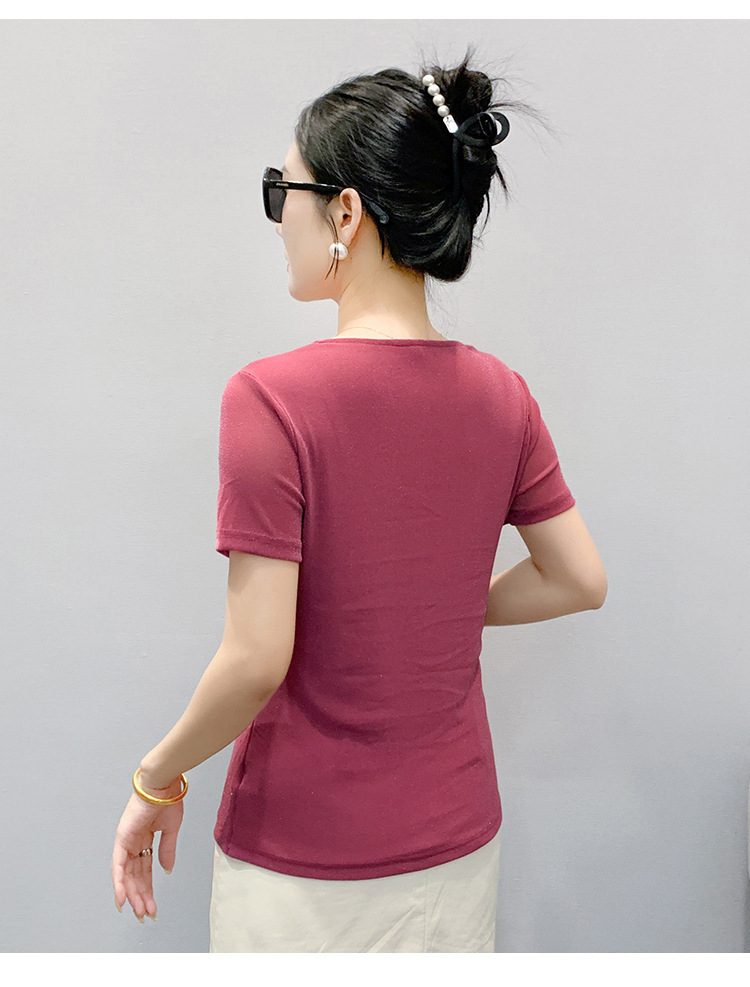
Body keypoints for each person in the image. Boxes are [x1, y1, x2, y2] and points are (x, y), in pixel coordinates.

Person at [111, 46, 607, 952]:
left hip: (307, 870)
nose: (277, 220)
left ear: (344, 211)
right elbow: (579, 578)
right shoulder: (504, 396)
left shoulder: (270, 399)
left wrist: (157, 777)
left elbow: (257, 657)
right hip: (458, 853)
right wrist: (442, 604)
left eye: (283, 192)